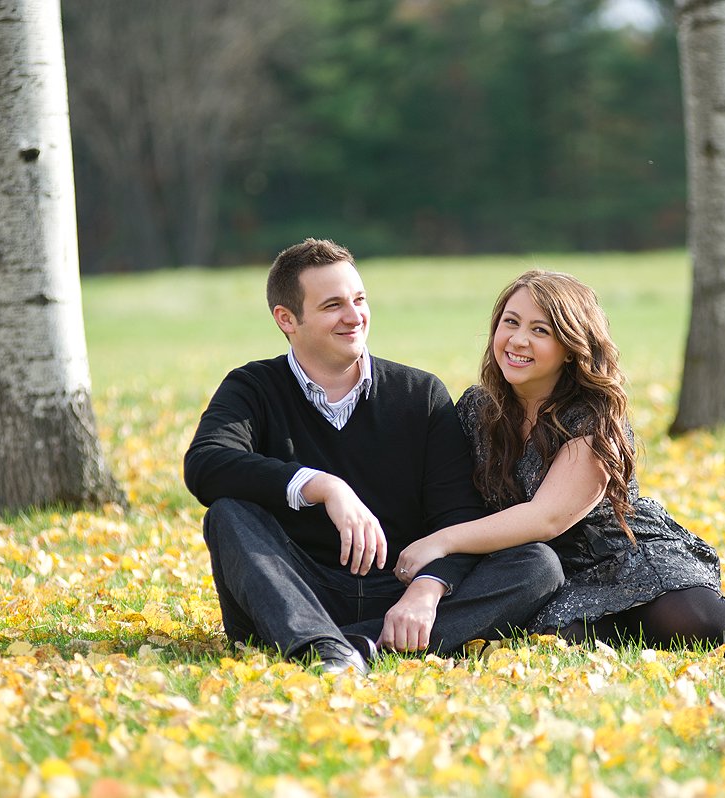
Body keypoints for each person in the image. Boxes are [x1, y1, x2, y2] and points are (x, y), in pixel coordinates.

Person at [183, 240, 564, 674]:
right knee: (228, 514)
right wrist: (322, 486)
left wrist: (425, 590)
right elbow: (206, 464)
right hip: (293, 589)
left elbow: (457, 514)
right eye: (332, 306)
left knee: (538, 564)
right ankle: (321, 643)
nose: (354, 316)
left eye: (359, 299)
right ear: (287, 319)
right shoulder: (253, 387)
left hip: (398, 589)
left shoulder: (419, 395)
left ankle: (348, 645)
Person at [395, 269, 725, 652]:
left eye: (541, 331)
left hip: (622, 555)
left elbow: (547, 518)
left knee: (691, 620)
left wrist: (442, 541)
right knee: (560, 636)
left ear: (571, 348)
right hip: (546, 570)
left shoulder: (592, 416)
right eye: (510, 322)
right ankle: (630, 627)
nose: (518, 340)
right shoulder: (476, 408)